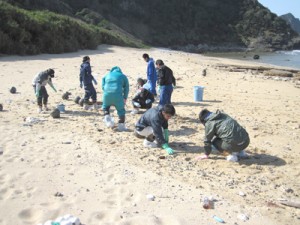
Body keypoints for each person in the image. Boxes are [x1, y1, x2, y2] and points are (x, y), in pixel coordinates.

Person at [102, 66, 129, 131]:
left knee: (105, 107)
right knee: (121, 110)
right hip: (118, 96)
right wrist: (125, 97)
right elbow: (126, 88)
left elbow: (103, 87)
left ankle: (108, 120)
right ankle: (121, 126)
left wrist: (107, 92)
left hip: (107, 95)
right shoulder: (123, 76)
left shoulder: (106, 75)